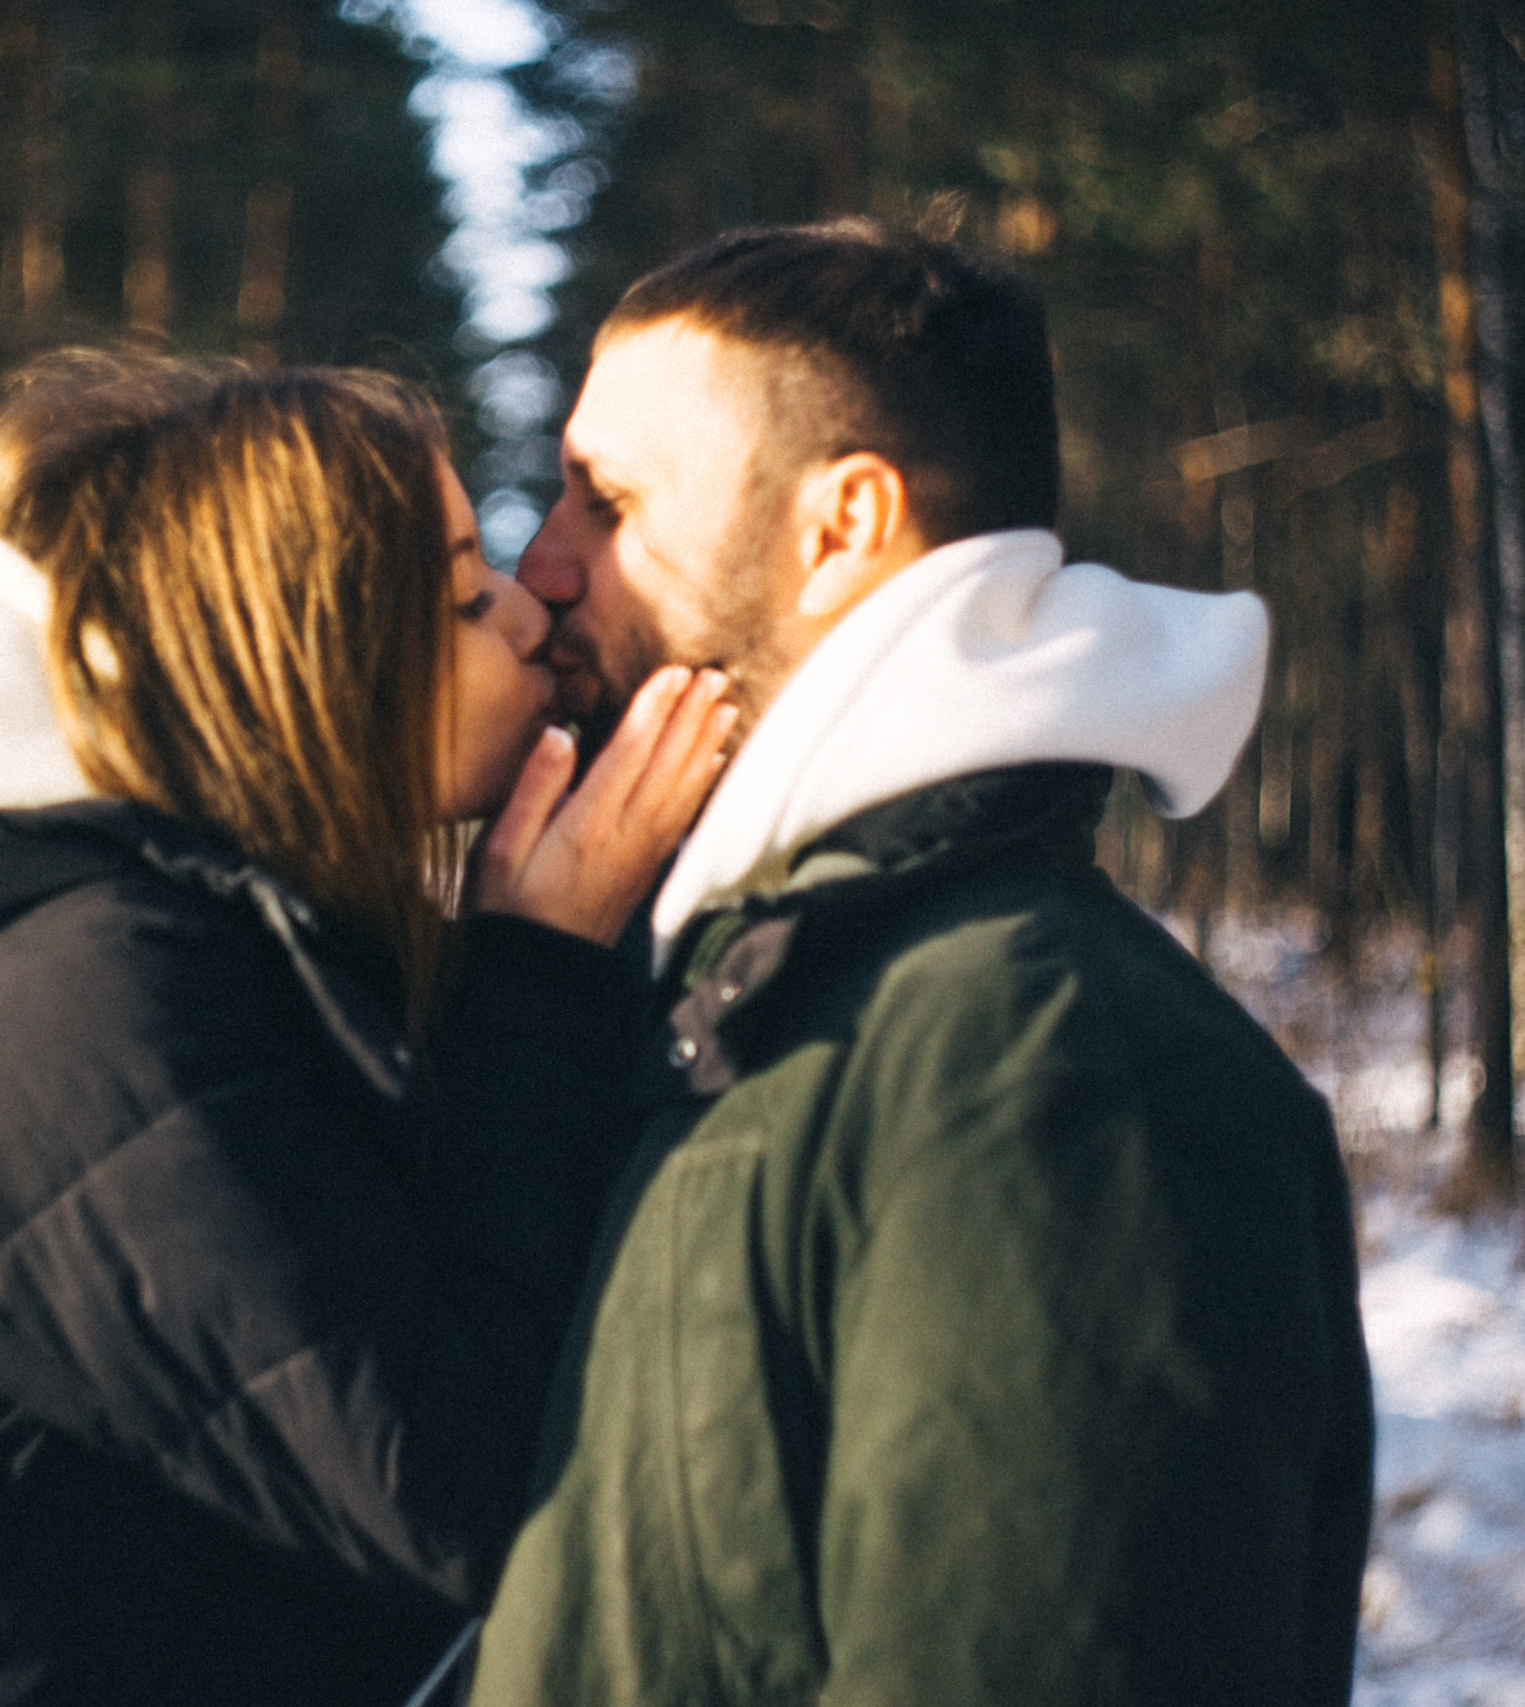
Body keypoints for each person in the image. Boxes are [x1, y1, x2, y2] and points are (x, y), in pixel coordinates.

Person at [0, 352, 735, 1707]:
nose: (524, 611)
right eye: (455, 596)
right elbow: (456, 1489)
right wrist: (537, 976)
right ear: (310, 674)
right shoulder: (83, 1012)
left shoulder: (243, 946)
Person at [465, 222, 1374, 1706]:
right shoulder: (770, 1005)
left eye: (609, 501)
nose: (545, 564)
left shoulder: (1059, 1076)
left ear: (841, 527)